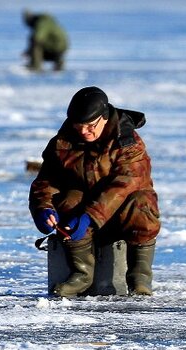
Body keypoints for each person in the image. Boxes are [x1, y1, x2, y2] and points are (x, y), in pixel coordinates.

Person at [29, 86, 160, 296]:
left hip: (121, 214)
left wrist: (90, 217)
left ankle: (139, 276)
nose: (83, 131)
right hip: (82, 220)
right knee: (68, 199)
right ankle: (82, 273)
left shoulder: (128, 143)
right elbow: (46, 181)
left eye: (90, 126)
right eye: (79, 126)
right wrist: (43, 209)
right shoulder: (62, 143)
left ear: (105, 117)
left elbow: (124, 184)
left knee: (140, 202)